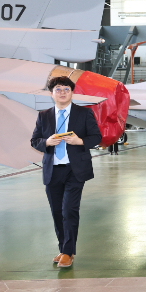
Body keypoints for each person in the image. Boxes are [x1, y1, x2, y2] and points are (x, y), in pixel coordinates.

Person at [30, 76, 102, 269]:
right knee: (56, 212)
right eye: (58, 89)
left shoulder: (83, 114)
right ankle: (63, 248)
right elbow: (34, 140)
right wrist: (46, 142)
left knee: (69, 210)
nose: (62, 93)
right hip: (52, 170)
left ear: (72, 93)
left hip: (75, 170)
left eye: (66, 89)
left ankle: (69, 252)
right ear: (51, 93)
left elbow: (96, 136)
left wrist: (80, 141)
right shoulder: (44, 115)